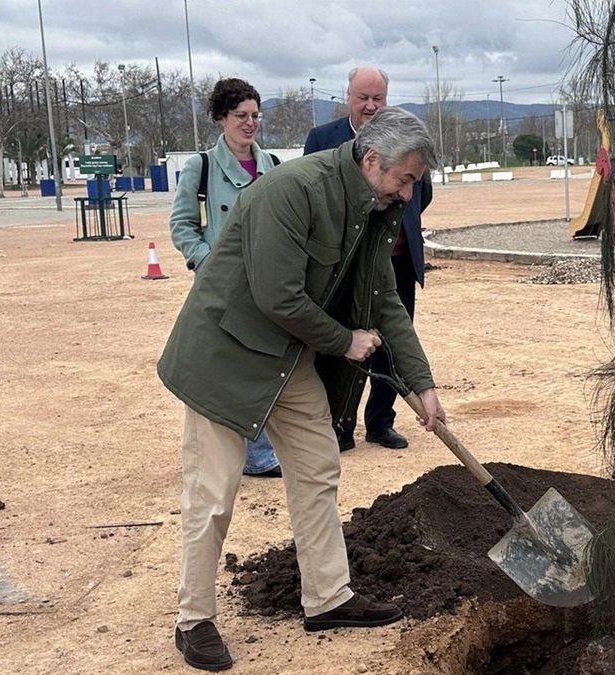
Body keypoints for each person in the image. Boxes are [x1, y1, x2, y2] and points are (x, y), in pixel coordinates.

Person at [158, 107, 446, 672]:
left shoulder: (375, 206)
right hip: (227, 355)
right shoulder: (293, 190)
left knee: (317, 470)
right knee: (213, 494)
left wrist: (422, 383)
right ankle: (193, 620)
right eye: (406, 178)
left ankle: (328, 598)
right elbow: (277, 296)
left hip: (290, 357)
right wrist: (345, 342)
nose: (409, 194)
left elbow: (385, 300)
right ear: (371, 160)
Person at [303, 66, 432, 452]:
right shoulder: (323, 141)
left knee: (390, 341)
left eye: (379, 98)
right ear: (348, 98)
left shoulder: (409, 141)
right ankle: (340, 425)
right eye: (364, 98)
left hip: (396, 261)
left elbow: (420, 195)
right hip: (345, 264)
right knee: (346, 343)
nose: (371, 105)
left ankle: (380, 421)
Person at [168, 78, 283, 478]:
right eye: (241, 116)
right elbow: (182, 225)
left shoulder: (273, 165)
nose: (250, 123)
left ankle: (262, 450)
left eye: (255, 115)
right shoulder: (200, 168)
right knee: (230, 368)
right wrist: (207, 262)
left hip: (269, 282)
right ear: (221, 118)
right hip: (223, 286)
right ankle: (251, 454)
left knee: (266, 364)